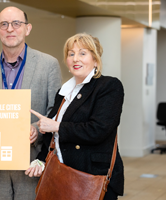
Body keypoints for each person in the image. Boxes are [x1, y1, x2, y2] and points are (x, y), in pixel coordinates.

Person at [0, 6, 62, 200]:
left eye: (16, 23)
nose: (10, 29)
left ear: (27, 29)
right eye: (4, 24)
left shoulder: (48, 65)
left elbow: (55, 111)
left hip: (31, 163)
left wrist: (36, 129)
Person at [26, 33, 124, 199]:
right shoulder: (64, 92)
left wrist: (56, 126)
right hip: (61, 176)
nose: (75, 59)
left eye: (82, 53)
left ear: (95, 58)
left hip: (90, 178)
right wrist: (41, 160)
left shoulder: (108, 86)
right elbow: (53, 134)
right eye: (71, 54)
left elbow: (99, 129)